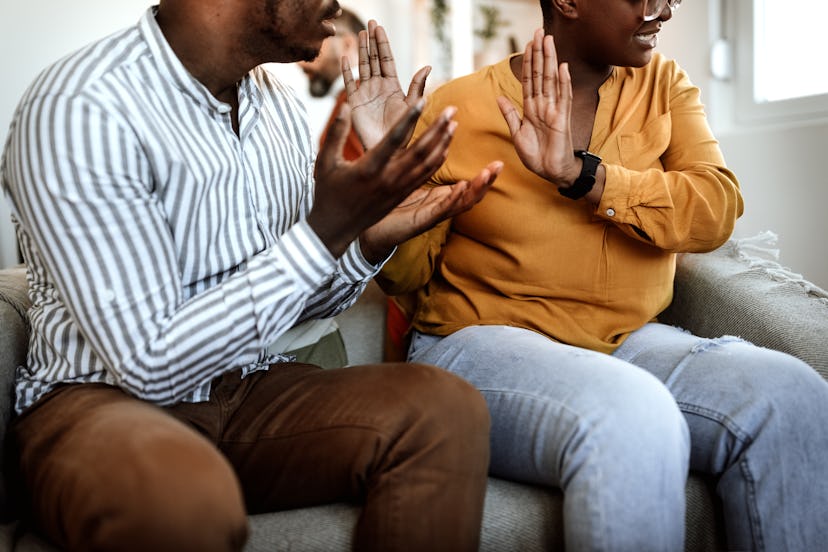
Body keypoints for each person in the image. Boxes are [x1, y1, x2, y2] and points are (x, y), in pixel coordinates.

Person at [0, 1, 504, 550]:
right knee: (181, 496)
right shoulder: (84, 106)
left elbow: (303, 299)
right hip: (100, 403)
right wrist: (322, 232)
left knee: (443, 408)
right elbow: (145, 364)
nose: (337, 3)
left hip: (249, 391)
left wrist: (366, 234)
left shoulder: (277, 106)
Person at [377, 0, 828, 550]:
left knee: (793, 395)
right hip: (478, 346)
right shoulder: (459, 107)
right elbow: (402, 275)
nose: (663, 9)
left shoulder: (663, 84)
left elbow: (716, 209)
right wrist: (390, 171)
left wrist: (582, 175)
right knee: (631, 413)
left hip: (627, 343)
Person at [298, 6, 367, 161]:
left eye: (312, 43)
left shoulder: (358, 100)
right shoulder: (355, 98)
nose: (301, 63)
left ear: (347, 45)